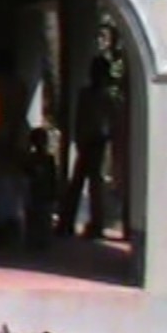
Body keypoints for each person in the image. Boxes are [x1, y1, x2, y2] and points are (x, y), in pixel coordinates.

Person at [57, 55, 115, 239]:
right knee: (78, 182)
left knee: (94, 185)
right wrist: (79, 138)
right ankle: (67, 222)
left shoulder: (105, 97)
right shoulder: (87, 94)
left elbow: (110, 121)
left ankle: (95, 225)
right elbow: (80, 118)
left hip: (98, 141)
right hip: (87, 141)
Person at [0, 50, 30, 247]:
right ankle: (11, 221)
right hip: (15, 134)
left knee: (2, 180)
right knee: (11, 181)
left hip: (3, 133)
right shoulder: (19, 85)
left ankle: (4, 223)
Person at [24, 127, 58, 251]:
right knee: (35, 218)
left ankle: (41, 242)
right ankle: (34, 242)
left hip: (43, 194)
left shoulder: (48, 159)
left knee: (42, 219)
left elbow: (53, 178)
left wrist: (54, 194)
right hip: (35, 193)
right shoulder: (32, 159)